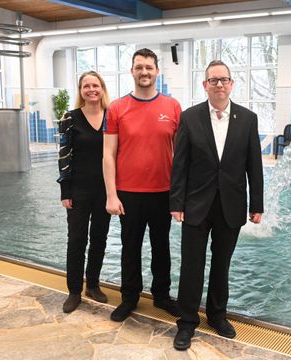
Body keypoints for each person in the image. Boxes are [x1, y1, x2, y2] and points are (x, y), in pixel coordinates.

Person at [170, 60, 264, 350]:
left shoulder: (248, 119)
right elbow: (180, 165)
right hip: (196, 204)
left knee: (221, 265)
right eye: (213, 80)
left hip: (231, 205)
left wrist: (256, 204)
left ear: (232, 84)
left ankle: (216, 315)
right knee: (192, 266)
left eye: (224, 80)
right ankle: (187, 323)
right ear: (205, 85)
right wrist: (176, 202)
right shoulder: (190, 117)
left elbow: (254, 166)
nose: (219, 84)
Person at [103, 48, 181, 322]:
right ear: (132, 71)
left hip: (163, 192)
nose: (144, 72)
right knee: (130, 246)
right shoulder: (116, 108)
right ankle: (129, 298)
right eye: (139, 67)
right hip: (129, 193)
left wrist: (180, 196)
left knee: (162, 247)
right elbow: (108, 154)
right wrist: (111, 195)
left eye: (149, 67)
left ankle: (161, 296)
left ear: (157, 71)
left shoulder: (172, 107)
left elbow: (181, 156)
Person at [57, 70, 111, 313]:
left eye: (95, 85)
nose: (91, 89)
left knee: (99, 238)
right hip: (78, 191)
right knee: (77, 240)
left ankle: (93, 284)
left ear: (102, 89)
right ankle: (74, 291)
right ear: (80, 91)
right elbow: (64, 156)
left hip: (105, 190)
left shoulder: (112, 117)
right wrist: (65, 191)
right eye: (86, 86)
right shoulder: (71, 117)